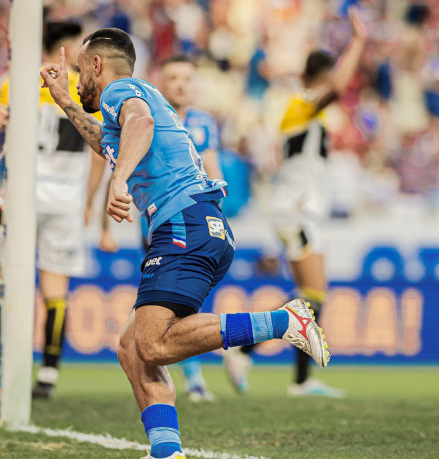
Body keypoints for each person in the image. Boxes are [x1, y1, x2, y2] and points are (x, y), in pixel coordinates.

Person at [40, 28, 329, 459]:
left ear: (97, 65)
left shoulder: (123, 91)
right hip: (191, 223)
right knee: (132, 348)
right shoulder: (126, 103)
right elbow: (109, 144)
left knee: (153, 343)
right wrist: (65, 101)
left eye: (80, 71)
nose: (78, 80)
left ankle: (284, 323)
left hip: (184, 222)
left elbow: (141, 123)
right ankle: (165, 450)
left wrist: (119, 182)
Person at [223, 10, 366, 399]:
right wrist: (359, 43)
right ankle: (246, 348)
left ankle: (298, 378)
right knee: (314, 294)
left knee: (310, 294)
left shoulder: (301, 110)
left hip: (302, 207)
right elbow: (337, 86)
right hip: (298, 208)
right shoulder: (304, 103)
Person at [0, 21, 107, 399]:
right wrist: (90, 203)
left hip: (21, 196)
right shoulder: (84, 88)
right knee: (55, 289)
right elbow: (98, 156)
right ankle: (47, 376)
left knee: (3, 281)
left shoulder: (21, 81)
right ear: (70, 46)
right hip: (65, 200)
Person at [151, 54, 224, 402]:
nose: (180, 84)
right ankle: (188, 375)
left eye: (186, 78)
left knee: (182, 302)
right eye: (173, 77)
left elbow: (214, 171)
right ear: (161, 83)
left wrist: (217, 208)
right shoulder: (149, 117)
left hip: (195, 220)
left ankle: (191, 376)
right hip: (160, 220)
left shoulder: (204, 122)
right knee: (168, 304)